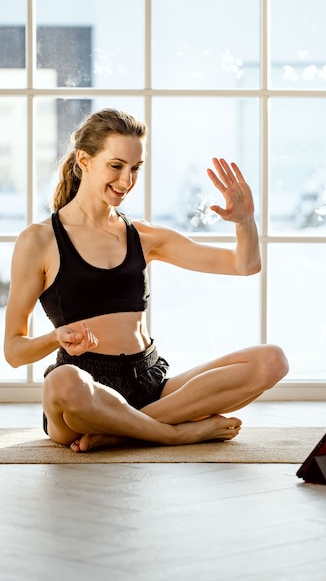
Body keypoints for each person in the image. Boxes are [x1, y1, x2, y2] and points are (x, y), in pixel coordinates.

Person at [3, 108, 289, 452]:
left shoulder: (143, 235)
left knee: (272, 360)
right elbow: (14, 352)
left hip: (149, 381)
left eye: (135, 169)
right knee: (64, 383)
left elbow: (244, 265)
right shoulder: (40, 240)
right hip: (84, 389)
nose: (127, 182)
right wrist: (55, 337)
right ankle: (172, 432)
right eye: (116, 166)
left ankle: (124, 431)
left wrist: (244, 221)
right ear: (84, 160)